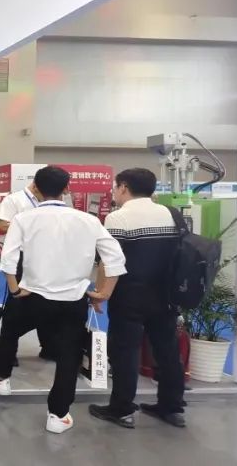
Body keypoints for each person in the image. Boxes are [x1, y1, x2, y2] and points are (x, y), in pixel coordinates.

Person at [0, 165, 126, 435]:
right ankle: (58, 414)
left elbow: (8, 259)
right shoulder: (88, 220)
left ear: (36, 186)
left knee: (10, 330)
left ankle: (0, 379)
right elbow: (115, 258)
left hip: (32, 294)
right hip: (73, 299)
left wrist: (14, 290)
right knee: (69, 355)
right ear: (67, 188)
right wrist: (104, 294)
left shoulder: (24, 219)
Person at [90, 168, 187, 429]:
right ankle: (171, 407)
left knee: (125, 351)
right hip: (166, 296)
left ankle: (121, 409)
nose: (114, 191)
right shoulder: (172, 214)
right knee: (167, 351)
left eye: (115, 187)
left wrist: (101, 293)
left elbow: (109, 262)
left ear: (124, 187)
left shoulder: (117, 217)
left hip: (129, 296)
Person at [0, 181, 55, 362]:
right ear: (36, 186)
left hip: (44, 257)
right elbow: (2, 225)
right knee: (16, 304)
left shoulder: (47, 201)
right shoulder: (14, 200)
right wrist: (30, 226)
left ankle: (48, 347)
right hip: (21, 256)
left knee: (47, 300)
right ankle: (9, 352)